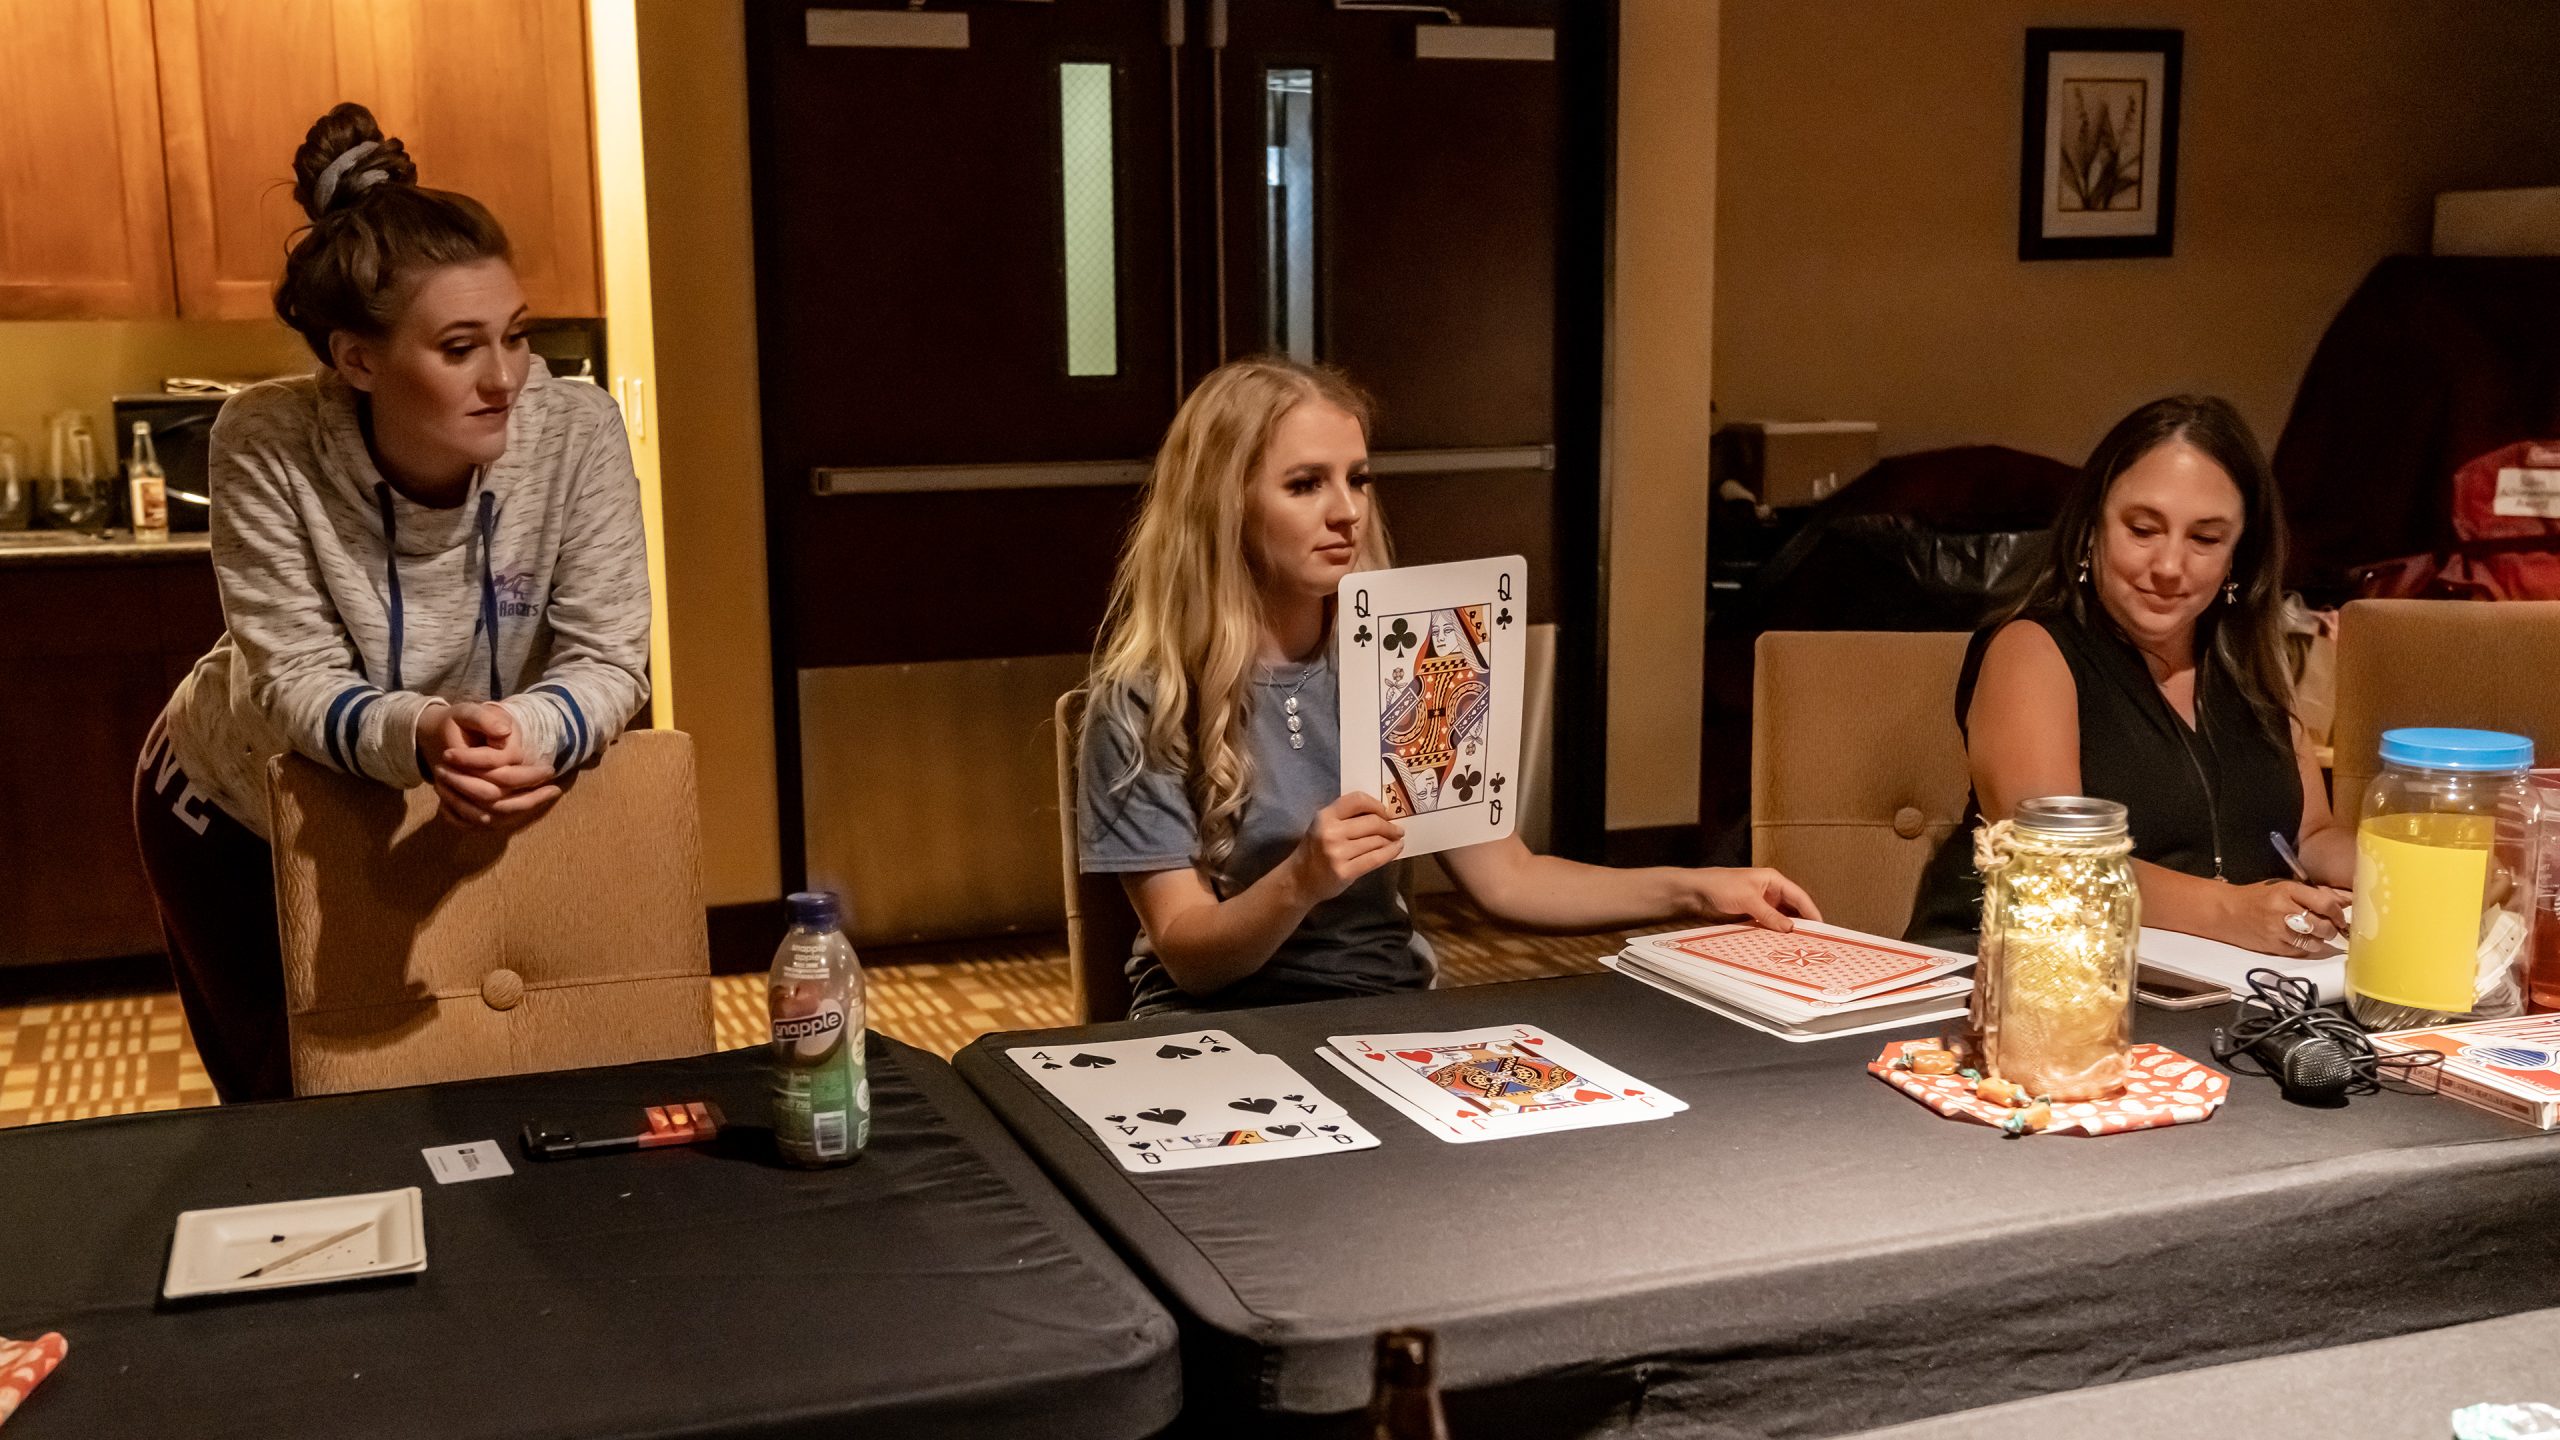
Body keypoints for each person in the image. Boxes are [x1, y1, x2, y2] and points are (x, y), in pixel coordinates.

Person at [133, 104, 653, 1100]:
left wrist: (527, 732)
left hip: (448, 795)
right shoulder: (265, 441)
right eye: (459, 347)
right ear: (357, 359)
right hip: (235, 813)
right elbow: (291, 678)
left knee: (491, 1095)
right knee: (297, 1110)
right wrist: (421, 733)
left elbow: (608, 656)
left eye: (517, 336)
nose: (505, 379)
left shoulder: (578, 431)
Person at [1078, 356, 1818, 1018]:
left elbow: (1509, 880)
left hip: (1381, 1005)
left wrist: (1698, 888)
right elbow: (1189, 956)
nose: (1347, 511)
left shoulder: (1414, 657)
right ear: (1224, 506)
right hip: (1210, 1024)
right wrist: (1300, 879)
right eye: (1305, 484)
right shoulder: (1145, 697)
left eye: (1357, 478)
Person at [1906, 395, 2352, 953]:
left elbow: (2309, 836)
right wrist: (2230, 910)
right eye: (2143, 529)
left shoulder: (2248, 657)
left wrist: (2403, 871)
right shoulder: (2032, 650)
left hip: (2216, 977)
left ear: (2238, 554)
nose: (2168, 566)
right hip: (2020, 970)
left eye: (2205, 539)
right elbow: (2054, 865)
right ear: (2092, 526)